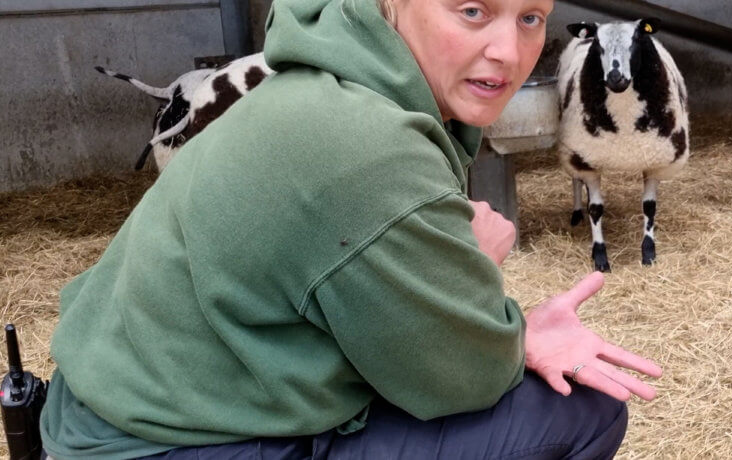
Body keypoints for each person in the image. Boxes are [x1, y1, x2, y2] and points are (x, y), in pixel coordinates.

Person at [38, 0, 662, 457]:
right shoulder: (369, 147)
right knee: (583, 414)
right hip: (163, 442)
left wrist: (480, 305)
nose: (509, 50)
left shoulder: (329, 88)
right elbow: (456, 378)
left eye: (530, 18)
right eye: (472, 11)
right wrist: (487, 287)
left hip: (119, 403)